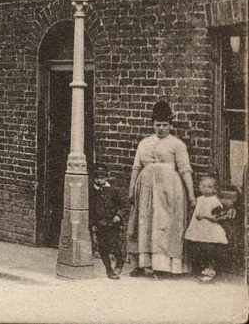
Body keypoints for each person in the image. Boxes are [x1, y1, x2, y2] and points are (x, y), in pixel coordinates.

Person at [126, 100, 195, 278]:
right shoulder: (144, 143)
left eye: (165, 125)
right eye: (158, 125)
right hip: (146, 191)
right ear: (152, 124)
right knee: (145, 223)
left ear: (170, 125)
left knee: (165, 225)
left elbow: (185, 169)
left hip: (169, 190)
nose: (161, 129)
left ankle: (164, 266)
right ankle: (143, 264)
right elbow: (136, 167)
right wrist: (132, 188)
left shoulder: (177, 144)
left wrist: (191, 195)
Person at [184, 174, 231, 282]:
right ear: (199, 187)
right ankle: (203, 269)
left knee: (210, 250)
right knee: (201, 248)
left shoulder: (215, 201)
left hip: (210, 230)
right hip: (200, 229)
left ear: (215, 189)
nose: (206, 189)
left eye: (209, 187)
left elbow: (218, 217)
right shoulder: (199, 199)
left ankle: (210, 270)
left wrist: (205, 216)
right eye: (203, 186)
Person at [90, 163, 126, 279]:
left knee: (114, 245)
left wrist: (118, 215)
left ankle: (120, 261)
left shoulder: (113, 190)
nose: (99, 180)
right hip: (99, 224)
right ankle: (109, 270)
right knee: (103, 248)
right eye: (97, 177)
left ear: (107, 177)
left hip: (112, 223)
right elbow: (90, 208)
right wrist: (92, 223)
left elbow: (123, 205)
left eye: (102, 177)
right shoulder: (91, 191)